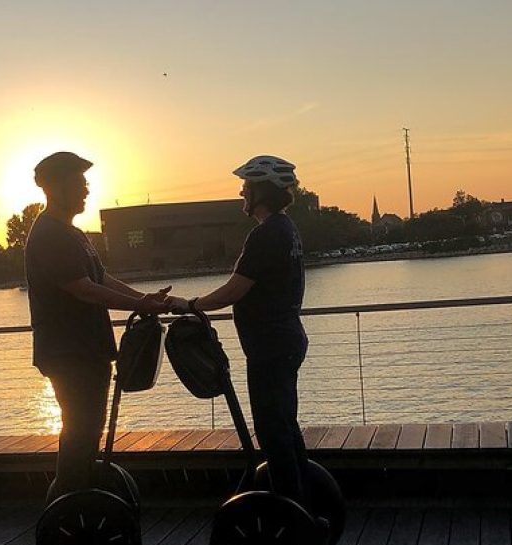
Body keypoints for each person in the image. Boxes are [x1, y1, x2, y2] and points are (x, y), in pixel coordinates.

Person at [25, 151, 171, 502]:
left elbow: (100, 277)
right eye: (79, 183)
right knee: (79, 432)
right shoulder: (49, 235)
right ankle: (70, 506)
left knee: (89, 431)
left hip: (88, 349)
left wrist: (143, 298)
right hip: (69, 352)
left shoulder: (73, 234)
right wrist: (139, 304)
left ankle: (81, 499)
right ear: (56, 187)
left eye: (86, 183)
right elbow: (84, 289)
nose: (87, 190)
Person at [169, 155, 311, 507]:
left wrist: (190, 304)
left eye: (246, 186)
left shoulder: (266, 234)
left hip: (270, 346)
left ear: (261, 191)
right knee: (285, 426)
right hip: (286, 339)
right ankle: (304, 502)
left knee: (272, 431)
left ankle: (292, 510)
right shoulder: (286, 228)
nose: (241, 192)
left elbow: (234, 290)